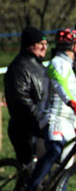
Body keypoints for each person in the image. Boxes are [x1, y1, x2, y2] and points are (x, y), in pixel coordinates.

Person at [24, 29, 76, 191]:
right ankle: (30, 190)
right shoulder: (57, 63)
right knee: (55, 150)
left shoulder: (70, 67)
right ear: (74, 46)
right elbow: (59, 84)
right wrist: (71, 102)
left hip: (67, 120)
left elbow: (74, 96)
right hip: (52, 117)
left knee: (65, 167)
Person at [4, 26, 48, 166]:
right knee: (31, 175)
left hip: (41, 127)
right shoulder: (19, 68)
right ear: (30, 45)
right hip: (26, 131)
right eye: (41, 44)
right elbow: (20, 100)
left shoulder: (40, 66)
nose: (44, 47)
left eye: (46, 44)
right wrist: (41, 118)